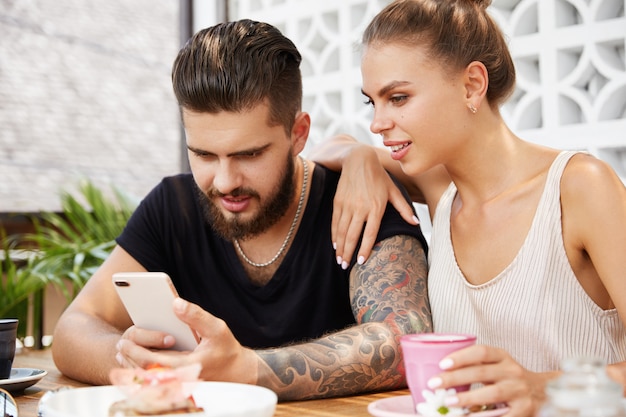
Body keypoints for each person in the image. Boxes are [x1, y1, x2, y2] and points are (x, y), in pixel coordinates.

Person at [51, 19, 432, 401]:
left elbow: (406, 339)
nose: (224, 182)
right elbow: (74, 328)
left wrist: (248, 369)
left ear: (298, 134)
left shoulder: (361, 199)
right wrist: (134, 363)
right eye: (202, 154)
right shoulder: (174, 206)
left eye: (248, 154)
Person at [310, 0, 626, 414]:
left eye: (398, 97)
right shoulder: (441, 190)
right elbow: (328, 148)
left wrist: (543, 386)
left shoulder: (580, 187)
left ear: (472, 85)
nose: (377, 123)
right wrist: (360, 160)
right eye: (373, 102)